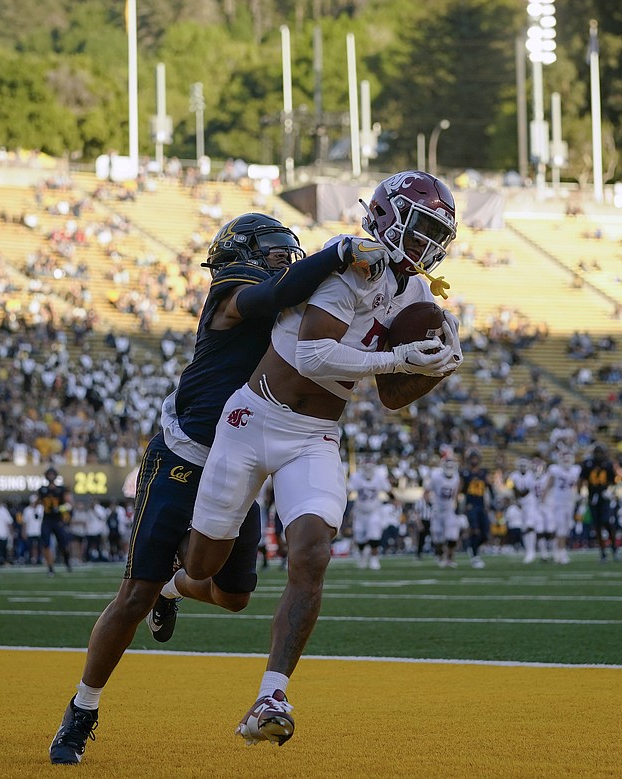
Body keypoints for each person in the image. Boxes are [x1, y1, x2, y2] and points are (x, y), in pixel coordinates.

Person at [50, 212, 384, 765]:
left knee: (233, 596)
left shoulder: (300, 297)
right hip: (187, 455)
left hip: (245, 452)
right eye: (273, 248)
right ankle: (82, 709)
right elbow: (269, 296)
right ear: (240, 252)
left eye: (288, 249)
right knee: (133, 594)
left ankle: (173, 590)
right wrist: (340, 251)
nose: (284, 256)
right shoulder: (233, 288)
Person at [174, 171, 461, 747]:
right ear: (385, 216)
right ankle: (170, 586)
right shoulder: (352, 267)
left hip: (315, 434)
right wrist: (399, 355)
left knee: (312, 553)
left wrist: (432, 369)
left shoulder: (418, 296)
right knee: (204, 568)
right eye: (422, 224)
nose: (428, 242)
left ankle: (271, 694)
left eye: (438, 231)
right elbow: (311, 355)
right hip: (252, 419)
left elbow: (391, 397)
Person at [348, 454, 393, 570]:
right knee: (359, 537)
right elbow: (348, 491)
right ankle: (363, 555)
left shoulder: (379, 477)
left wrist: (395, 500)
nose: (368, 470)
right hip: (360, 512)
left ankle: (374, 558)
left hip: (374, 511)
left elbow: (389, 490)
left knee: (374, 536)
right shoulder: (356, 477)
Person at [578, 444, 620, 562]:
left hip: (604, 498)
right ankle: (603, 552)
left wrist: (610, 491)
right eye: (597, 453)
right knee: (596, 526)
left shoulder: (608, 464)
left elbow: (614, 481)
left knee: (606, 522)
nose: (599, 455)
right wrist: (579, 493)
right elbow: (581, 479)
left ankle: (614, 549)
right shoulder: (588, 464)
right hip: (592, 498)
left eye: (601, 453)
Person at [458, 449, 494, 569]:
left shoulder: (484, 473)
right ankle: (474, 556)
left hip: (482, 505)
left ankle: (473, 548)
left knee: (485, 533)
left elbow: (490, 486)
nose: (474, 460)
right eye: (472, 458)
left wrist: (492, 502)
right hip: (471, 505)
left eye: (475, 458)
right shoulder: (465, 473)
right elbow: (460, 489)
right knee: (475, 530)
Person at [545, 449, 580, 565]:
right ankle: (562, 552)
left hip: (569, 503)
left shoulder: (576, 470)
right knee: (560, 528)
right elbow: (549, 484)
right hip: (557, 503)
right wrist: (543, 498)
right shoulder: (555, 469)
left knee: (566, 528)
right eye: (564, 458)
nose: (566, 460)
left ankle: (558, 551)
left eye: (568, 458)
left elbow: (578, 485)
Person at [37, 467, 73, 576]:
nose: (51, 476)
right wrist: (36, 510)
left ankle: (67, 561)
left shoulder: (61, 490)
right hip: (47, 520)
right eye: (49, 474)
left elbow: (69, 505)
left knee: (64, 545)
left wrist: (60, 509)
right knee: (46, 544)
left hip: (58, 520)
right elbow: (37, 503)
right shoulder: (42, 490)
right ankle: (50, 567)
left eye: (52, 474)